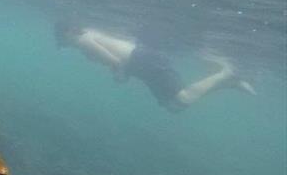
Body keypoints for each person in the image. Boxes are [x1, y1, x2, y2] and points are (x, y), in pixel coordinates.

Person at [55, 22, 255, 112]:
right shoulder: (88, 33)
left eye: (61, 39)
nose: (62, 44)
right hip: (140, 62)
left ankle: (225, 73)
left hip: (141, 61)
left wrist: (119, 75)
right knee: (173, 106)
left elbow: (115, 61)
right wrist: (122, 71)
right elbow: (113, 57)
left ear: (67, 34)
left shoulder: (82, 40)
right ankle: (229, 83)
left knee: (181, 100)